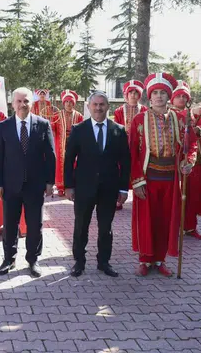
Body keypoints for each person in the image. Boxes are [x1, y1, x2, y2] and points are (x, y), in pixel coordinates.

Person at [129, 73, 197, 277]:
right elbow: (132, 152)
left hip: (170, 178)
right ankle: (145, 259)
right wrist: (136, 182)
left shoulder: (180, 119)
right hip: (147, 178)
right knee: (146, 220)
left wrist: (188, 161)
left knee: (166, 220)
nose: (159, 96)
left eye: (163, 93)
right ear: (149, 97)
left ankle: (160, 260)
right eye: (155, 93)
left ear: (169, 96)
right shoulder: (139, 119)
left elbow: (190, 144)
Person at [64, 91, 131, 277]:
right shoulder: (79, 129)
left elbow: (125, 162)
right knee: (81, 226)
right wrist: (68, 186)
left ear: (108, 107)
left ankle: (104, 262)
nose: (99, 108)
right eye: (95, 104)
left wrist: (124, 188)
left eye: (102, 104)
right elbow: (69, 159)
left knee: (105, 227)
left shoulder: (118, 130)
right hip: (84, 188)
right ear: (88, 107)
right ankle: (79, 262)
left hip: (109, 188)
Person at [0, 87, 56, 278]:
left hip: (35, 185)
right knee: (10, 224)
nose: (22, 105)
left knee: (35, 224)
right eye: (19, 101)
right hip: (11, 186)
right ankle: (9, 259)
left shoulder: (43, 124)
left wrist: (50, 182)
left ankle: (33, 259)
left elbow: (50, 156)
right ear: (13, 104)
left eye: (26, 101)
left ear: (32, 103)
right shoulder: (3, 126)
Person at [170, 81, 201, 240]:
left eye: (184, 96)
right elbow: (178, 125)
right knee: (177, 195)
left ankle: (190, 226)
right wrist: (192, 115)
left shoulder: (193, 113)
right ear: (172, 99)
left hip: (195, 161)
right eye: (178, 96)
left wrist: (197, 129)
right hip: (177, 161)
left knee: (193, 195)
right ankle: (173, 227)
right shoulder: (169, 113)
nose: (181, 99)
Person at [112, 80, 147, 211]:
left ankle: (140, 198)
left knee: (140, 169)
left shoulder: (145, 110)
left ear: (139, 95)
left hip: (141, 146)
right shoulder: (119, 111)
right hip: (124, 145)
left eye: (135, 92)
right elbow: (116, 128)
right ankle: (118, 200)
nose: (133, 95)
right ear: (126, 95)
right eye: (130, 92)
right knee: (121, 170)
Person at [52, 90, 85, 196]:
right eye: (66, 102)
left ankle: (72, 185)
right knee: (60, 164)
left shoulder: (79, 116)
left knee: (74, 163)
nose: (68, 104)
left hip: (74, 143)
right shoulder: (57, 115)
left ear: (74, 103)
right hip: (60, 143)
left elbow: (82, 130)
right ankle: (60, 187)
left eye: (70, 102)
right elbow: (52, 130)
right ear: (63, 103)